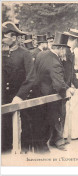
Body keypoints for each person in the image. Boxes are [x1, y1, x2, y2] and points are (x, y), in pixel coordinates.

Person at [34, 32, 74, 151]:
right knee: (52, 119)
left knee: (44, 120)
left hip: (39, 93)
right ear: (61, 48)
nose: (65, 52)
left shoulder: (42, 54)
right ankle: (43, 147)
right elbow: (58, 84)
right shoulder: (56, 62)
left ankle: (50, 141)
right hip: (50, 96)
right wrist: (68, 90)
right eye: (65, 49)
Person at [1, 21, 36, 153]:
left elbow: (31, 77)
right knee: (5, 123)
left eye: (4, 36)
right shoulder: (2, 53)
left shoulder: (25, 54)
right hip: (4, 96)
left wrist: (20, 95)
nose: (2, 39)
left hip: (21, 96)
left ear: (14, 38)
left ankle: (25, 150)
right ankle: (5, 148)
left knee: (25, 124)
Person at [63, 29, 78, 140]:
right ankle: (74, 134)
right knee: (75, 108)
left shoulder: (65, 48)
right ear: (77, 40)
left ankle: (64, 134)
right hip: (76, 79)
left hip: (69, 81)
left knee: (67, 109)